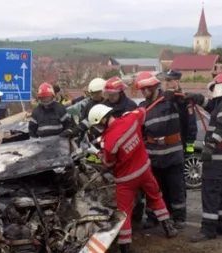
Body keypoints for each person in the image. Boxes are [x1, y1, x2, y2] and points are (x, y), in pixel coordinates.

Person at [86, 104, 177, 253]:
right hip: (144, 170)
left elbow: (109, 162)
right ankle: (169, 228)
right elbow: (142, 111)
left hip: (126, 180)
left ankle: (125, 247)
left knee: (124, 213)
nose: (97, 129)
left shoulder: (109, 141)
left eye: (97, 125)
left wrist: (96, 152)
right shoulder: (131, 119)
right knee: (155, 197)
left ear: (102, 120)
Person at [134, 71, 188, 229]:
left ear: (154, 87)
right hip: (153, 156)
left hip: (173, 153)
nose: (143, 93)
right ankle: (153, 217)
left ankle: (179, 218)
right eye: (142, 90)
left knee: (176, 188)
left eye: (146, 89)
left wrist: (178, 96)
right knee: (154, 189)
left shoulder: (170, 100)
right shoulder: (143, 107)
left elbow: (184, 106)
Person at [187, 73, 222, 242]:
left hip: (218, 157)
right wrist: (197, 98)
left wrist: (211, 144)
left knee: (210, 192)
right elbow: (211, 106)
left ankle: (208, 229)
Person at [63, 78, 106, 163]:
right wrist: (74, 131)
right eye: (93, 93)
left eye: (98, 92)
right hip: (89, 138)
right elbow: (84, 121)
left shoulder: (109, 103)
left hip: (105, 137)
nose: (95, 95)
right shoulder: (86, 104)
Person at [164, 69, 197, 154]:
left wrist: (190, 144)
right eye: (165, 80)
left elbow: (191, 123)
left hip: (180, 142)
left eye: (169, 80)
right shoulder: (163, 99)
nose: (166, 83)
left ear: (177, 81)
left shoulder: (185, 100)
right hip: (165, 144)